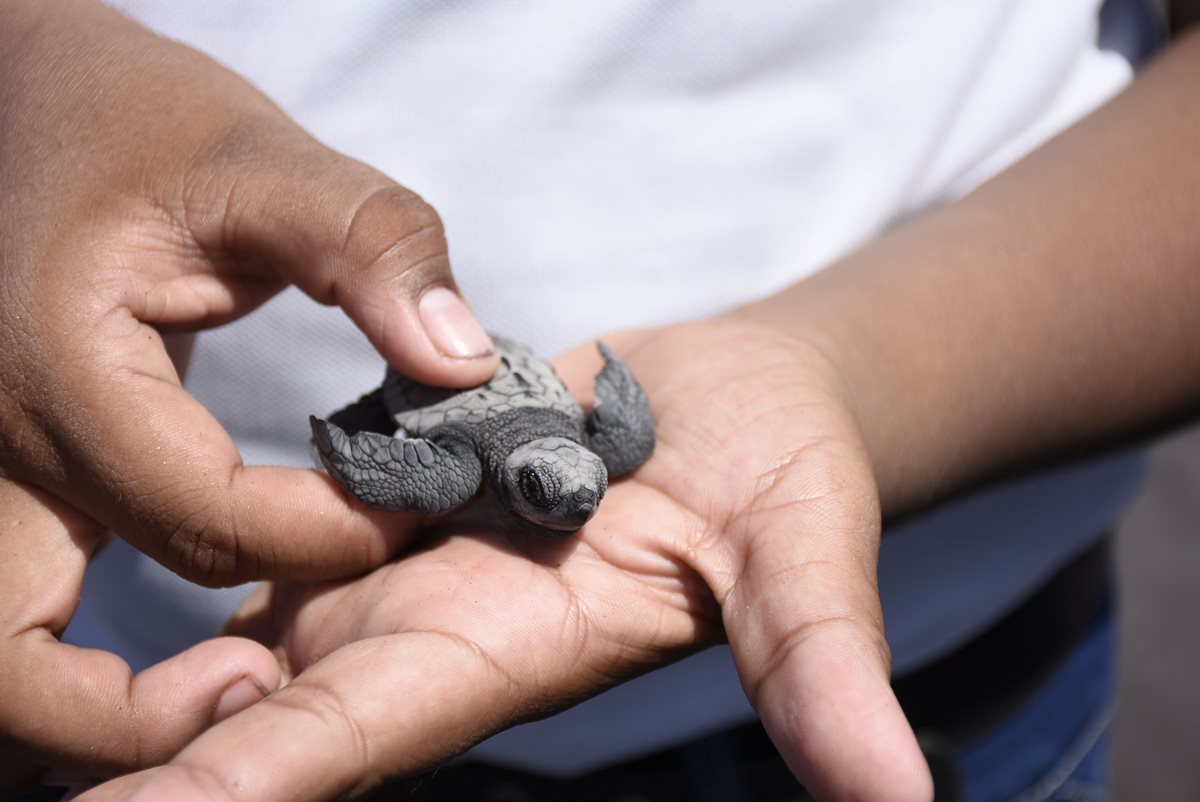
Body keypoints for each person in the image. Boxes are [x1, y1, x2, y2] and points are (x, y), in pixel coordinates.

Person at [0, 0, 1194, 800]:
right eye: (553, 492)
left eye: (569, 490)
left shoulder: (584, 453)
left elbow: (599, 439)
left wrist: (823, 364)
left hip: (974, 674)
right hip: (165, 668)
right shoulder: (504, 461)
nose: (571, 505)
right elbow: (457, 449)